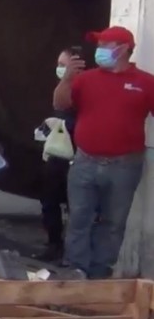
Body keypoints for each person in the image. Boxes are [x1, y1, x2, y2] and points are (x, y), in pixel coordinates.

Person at [53, 26, 154, 279]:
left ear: (123, 49)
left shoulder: (146, 82)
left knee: (113, 223)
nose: (99, 50)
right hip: (85, 161)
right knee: (79, 219)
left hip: (125, 165)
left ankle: (99, 275)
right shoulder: (86, 79)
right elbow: (59, 103)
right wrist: (67, 78)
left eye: (104, 45)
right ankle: (76, 270)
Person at [34, 48, 79, 263]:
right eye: (59, 64)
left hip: (78, 156)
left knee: (76, 206)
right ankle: (53, 244)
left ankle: (72, 252)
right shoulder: (61, 87)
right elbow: (58, 105)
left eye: (65, 64)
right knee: (49, 202)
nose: (61, 69)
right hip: (55, 155)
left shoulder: (85, 86)